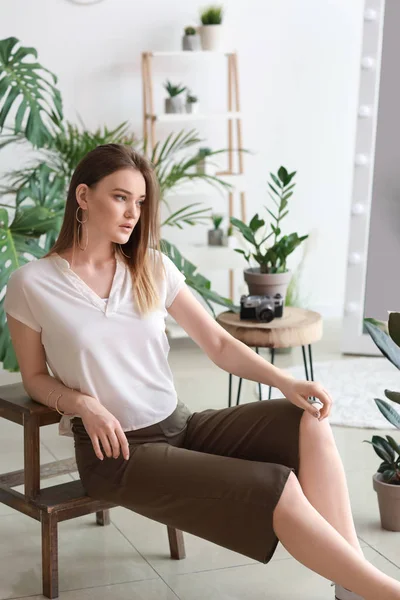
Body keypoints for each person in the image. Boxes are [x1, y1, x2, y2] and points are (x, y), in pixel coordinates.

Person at [4, 144, 400, 600]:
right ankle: (383, 592)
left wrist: (286, 381)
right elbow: (34, 376)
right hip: (116, 454)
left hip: (180, 425)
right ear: (83, 197)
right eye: (119, 197)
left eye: (140, 201)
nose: (132, 212)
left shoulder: (150, 265)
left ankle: (352, 587)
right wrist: (81, 403)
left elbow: (218, 344)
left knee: (306, 419)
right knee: (276, 487)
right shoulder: (32, 283)